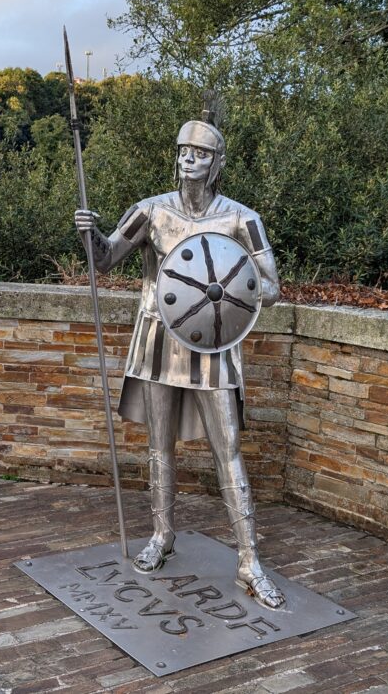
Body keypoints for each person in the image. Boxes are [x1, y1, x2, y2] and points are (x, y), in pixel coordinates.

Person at [74, 117, 285, 609]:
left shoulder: (242, 219)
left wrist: (227, 282)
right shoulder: (150, 211)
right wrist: (90, 234)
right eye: (183, 150)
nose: (189, 158)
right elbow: (105, 259)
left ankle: (250, 561)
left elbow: (271, 288)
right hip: (158, 338)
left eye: (201, 152)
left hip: (214, 344)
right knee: (159, 446)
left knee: (228, 450)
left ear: (217, 162)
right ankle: (161, 536)